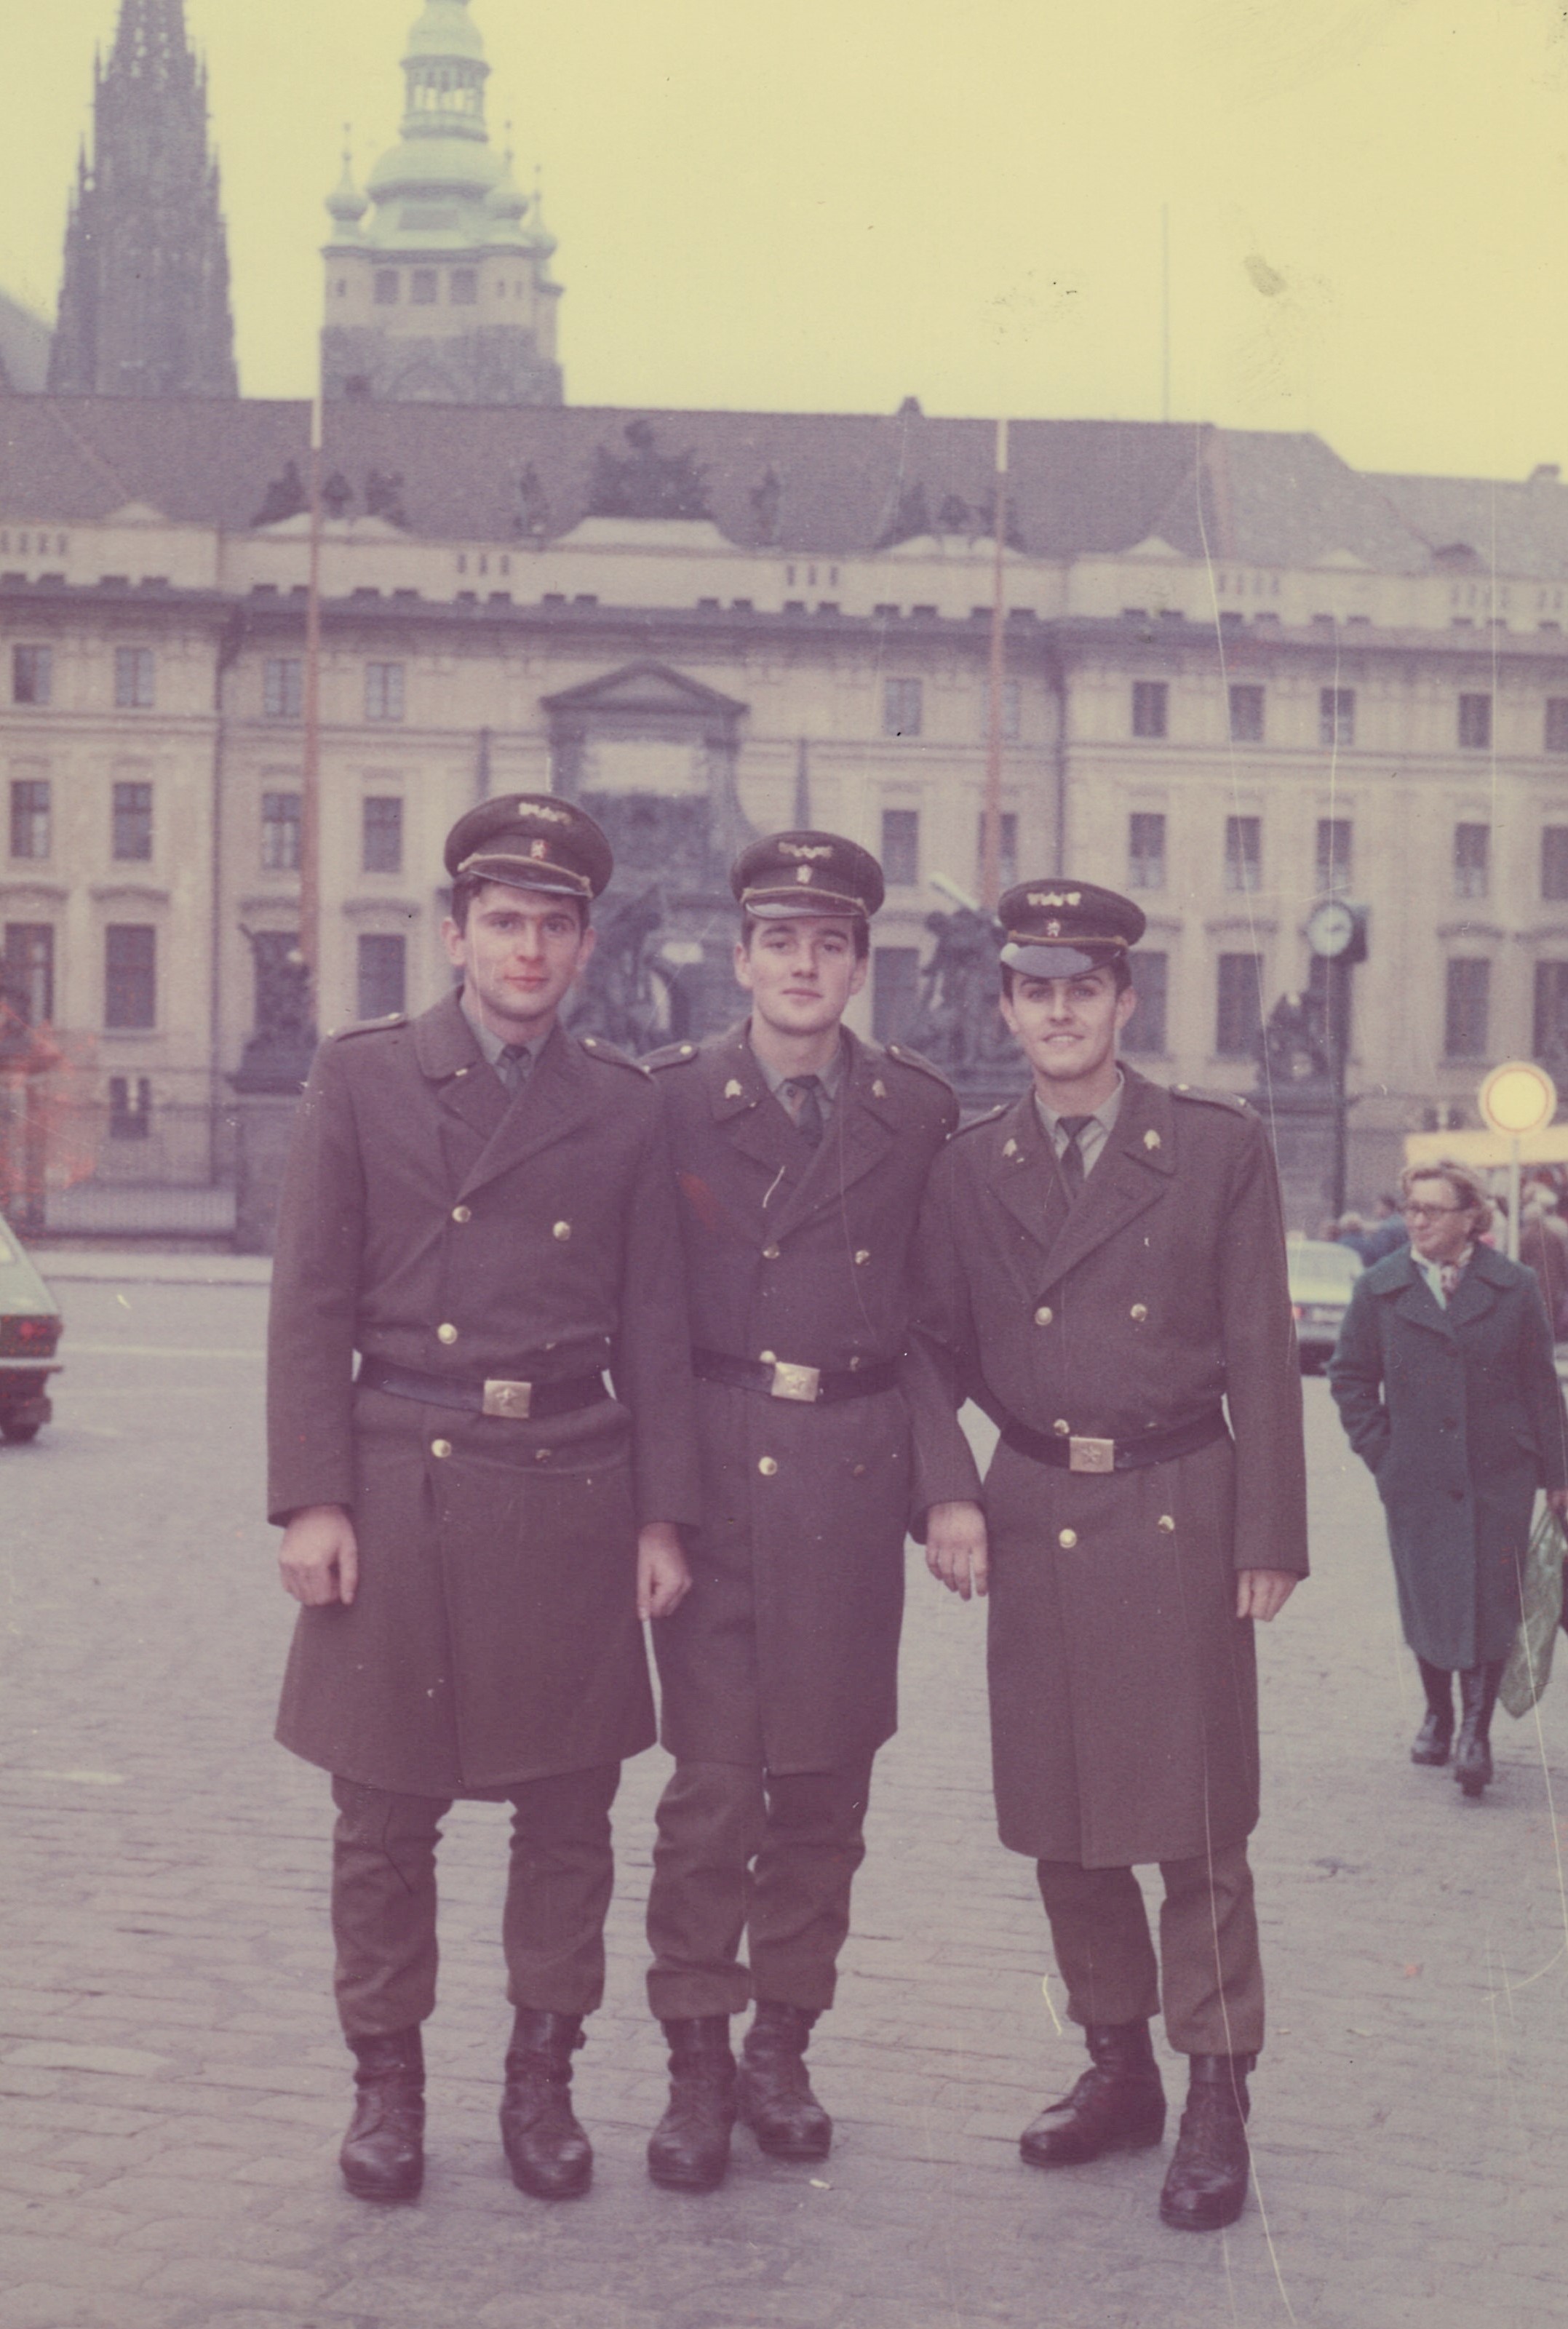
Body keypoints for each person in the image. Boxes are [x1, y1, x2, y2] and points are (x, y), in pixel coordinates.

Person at [267, 795, 699, 2206]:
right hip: (405, 1480)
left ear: (585, 945)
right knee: (384, 1816)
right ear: (454, 934)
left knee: (568, 1816)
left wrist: (661, 1516)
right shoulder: (364, 1077)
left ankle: (541, 2080)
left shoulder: (624, 1103)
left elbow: (655, 1321)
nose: (528, 947)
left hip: (571, 1482)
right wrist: (311, 1499)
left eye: (554, 925)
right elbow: (309, 1299)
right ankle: (386, 2087)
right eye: (503, 920)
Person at [912, 877, 1308, 2234]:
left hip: (1177, 1504)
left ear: (1125, 1001)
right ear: (1006, 1008)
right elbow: (925, 1346)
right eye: (1036, 991)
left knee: (1195, 1825)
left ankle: (1215, 2088)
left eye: (1083, 989)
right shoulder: (969, 1167)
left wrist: (1268, 1535)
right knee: (1063, 1820)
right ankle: (1118, 2067)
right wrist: (947, 1491)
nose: (1060, 1012)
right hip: (1036, 1509)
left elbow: (1261, 1346)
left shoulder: (1213, 1147)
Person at [639, 829, 958, 2191]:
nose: (803, 966)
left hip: (848, 1477)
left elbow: (933, 1323)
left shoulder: (917, 1110)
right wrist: (657, 1515)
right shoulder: (670, 1100)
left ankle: (782, 2046)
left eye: (830, 944)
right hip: (716, 1474)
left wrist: (947, 1489)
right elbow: (645, 1322)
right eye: (780, 942)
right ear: (741, 957)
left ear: (860, 964)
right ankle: (696, 2061)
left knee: (823, 1790)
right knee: (712, 1795)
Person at [1328, 1161, 1568, 1796]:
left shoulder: (1513, 1285)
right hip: (1416, 1477)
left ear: (1470, 1217)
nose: (1416, 1220)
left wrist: (1557, 1472)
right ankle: (1437, 1713)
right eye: (1411, 1207)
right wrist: (1383, 1454)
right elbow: (1349, 1378)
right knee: (1429, 1595)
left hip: (1499, 1475)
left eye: (1432, 1210)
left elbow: (1540, 1385)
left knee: (1491, 1599)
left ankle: (1474, 1735)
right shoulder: (1378, 1287)